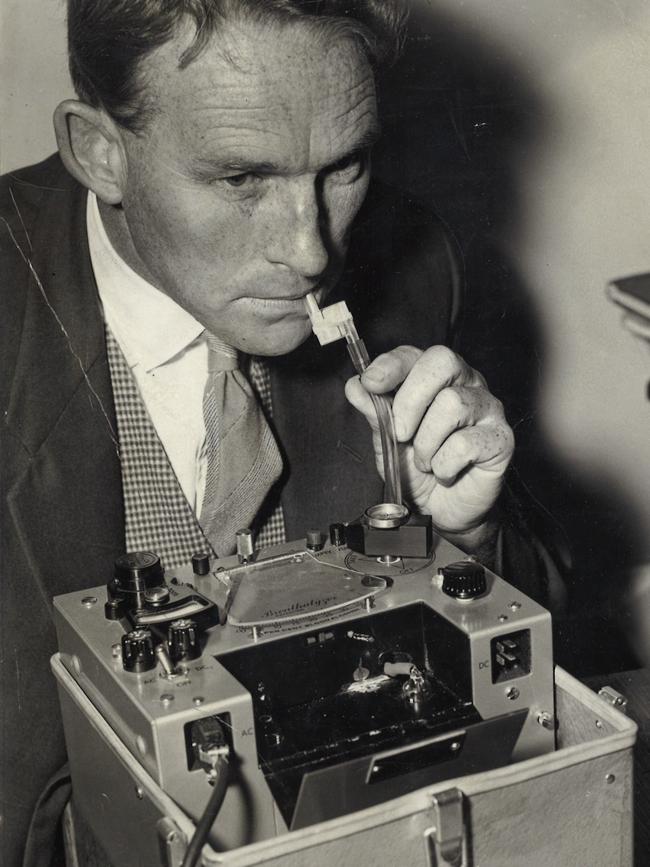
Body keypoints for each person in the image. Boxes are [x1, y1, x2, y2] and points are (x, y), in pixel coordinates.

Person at [0, 2, 565, 864]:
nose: (309, 250)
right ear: (99, 151)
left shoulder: (412, 265)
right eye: (241, 179)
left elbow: (540, 673)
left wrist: (466, 535)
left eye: (344, 166)